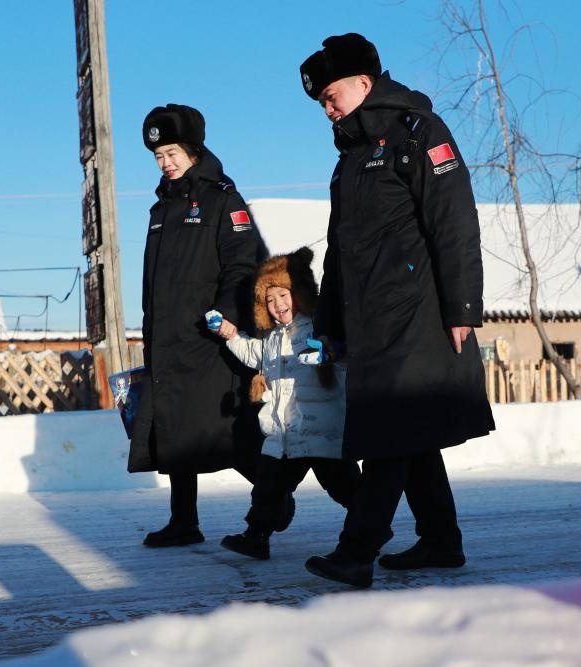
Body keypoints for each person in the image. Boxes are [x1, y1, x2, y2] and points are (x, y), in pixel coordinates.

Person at [297, 34, 496, 587]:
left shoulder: (419, 133)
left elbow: (454, 221)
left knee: (392, 432)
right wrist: (331, 325)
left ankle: (357, 550)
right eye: (322, 104)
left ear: (365, 83)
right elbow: (338, 251)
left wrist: (463, 306)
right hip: (370, 322)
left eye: (332, 96)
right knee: (410, 432)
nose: (328, 110)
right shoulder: (350, 160)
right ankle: (441, 541)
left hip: (421, 314)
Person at [128, 103, 279, 547]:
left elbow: (242, 264)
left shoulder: (222, 199)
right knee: (175, 431)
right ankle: (184, 522)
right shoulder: (161, 209)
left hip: (209, 340)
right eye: (158, 156)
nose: (165, 162)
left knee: (224, 433)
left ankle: (274, 497)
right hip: (167, 341)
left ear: (193, 149)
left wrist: (224, 318)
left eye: (171, 152)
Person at [216, 247, 361, 560]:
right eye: (269, 299)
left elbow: (344, 357)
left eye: (283, 295)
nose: (277, 305)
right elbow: (254, 355)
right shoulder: (271, 338)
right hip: (284, 435)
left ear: (300, 293)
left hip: (321, 431)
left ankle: (367, 528)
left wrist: (332, 352)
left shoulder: (318, 327)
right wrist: (231, 336)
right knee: (267, 487)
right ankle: (256, 537)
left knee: (346, 487)